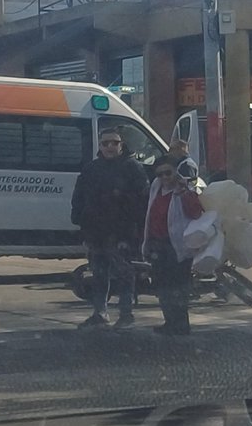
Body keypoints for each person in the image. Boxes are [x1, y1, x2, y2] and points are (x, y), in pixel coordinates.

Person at [71, 126, 150, 330]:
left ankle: (126, 314)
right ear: (100, 145)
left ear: (121, 145)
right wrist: (80, 221)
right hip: (96, 233)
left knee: (124, 274)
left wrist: (135, 230)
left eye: (114, 142)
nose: (109, 147)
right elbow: (79, 197)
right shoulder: (91, 169)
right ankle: (100, 313)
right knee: (99, 274)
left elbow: (142, 201)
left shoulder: (133, 168)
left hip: (122, 233)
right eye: (105, 143)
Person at [143, 155, 205, 336]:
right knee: (162, 285)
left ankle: (181, 323)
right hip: (158, 243)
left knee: (179, 286)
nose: (164, 178)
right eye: (160, 174)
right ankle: (170, 321)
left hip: (177, 245)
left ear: (176, 172)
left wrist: (185, 193)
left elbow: (195, 213)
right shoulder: (156, 187)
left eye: (168, 173)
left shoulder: (185, 189)